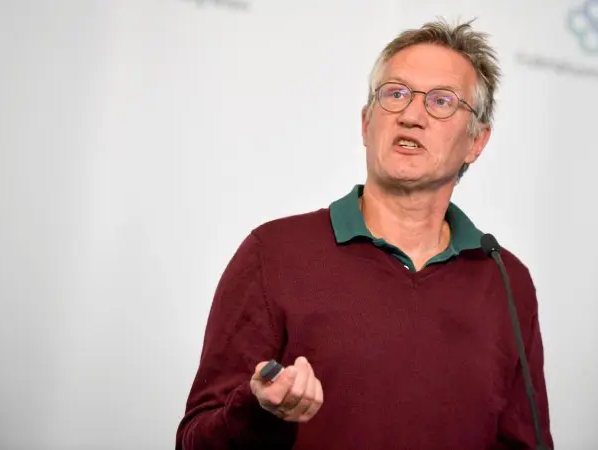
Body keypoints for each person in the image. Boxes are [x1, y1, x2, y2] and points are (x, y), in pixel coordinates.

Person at [175, 18, 554, 450]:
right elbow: (193, 443)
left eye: (442, 101)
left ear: (476, 142)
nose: (412, 115)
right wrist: (257, 408)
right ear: (365, 122)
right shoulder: (273, 253)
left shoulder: (506, 279)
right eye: (395, 94)